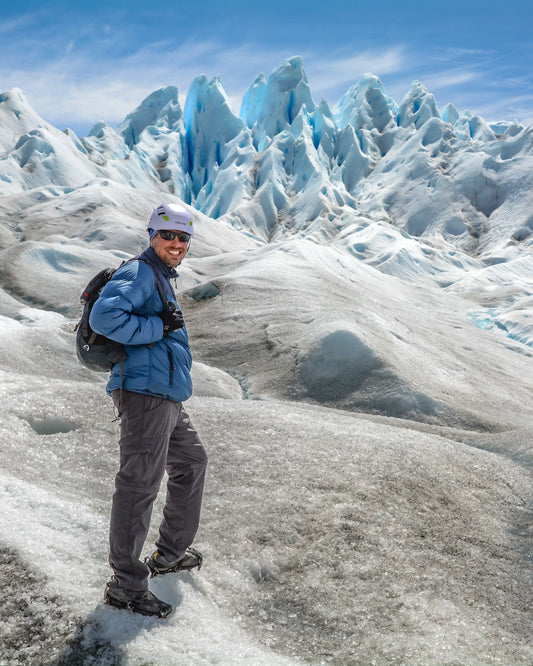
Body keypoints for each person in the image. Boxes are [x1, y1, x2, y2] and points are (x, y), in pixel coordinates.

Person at [89, 203, 208, 618]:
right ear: (152, 235)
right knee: (139, 485)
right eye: (168, 235)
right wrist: (159, 327)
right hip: (144, 394)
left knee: (192, 462)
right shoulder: (140, 273)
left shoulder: (159, 276)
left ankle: (170, 553)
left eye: (182, 238)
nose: (175, 244)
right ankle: (125, 586)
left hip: (166, 395)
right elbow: (105, 317)